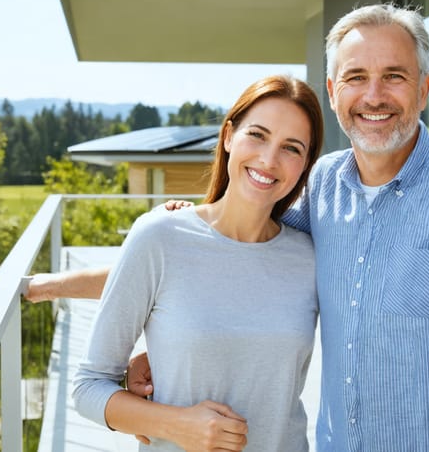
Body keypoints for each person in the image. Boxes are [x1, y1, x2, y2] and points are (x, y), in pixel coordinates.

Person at [29, 3, 429, 451]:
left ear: (425, 88)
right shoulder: (323, 189)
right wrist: (165, 336)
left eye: (395, 77)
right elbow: (220, 256)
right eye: (356, 77)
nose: (374, 96)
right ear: (335, 91)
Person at [70, 75, 325, 452]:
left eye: (291, 148)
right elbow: (88, 386)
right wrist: (176, 425)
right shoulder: (160, 236)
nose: (269, 159)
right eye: (257, 134)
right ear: (228, 136)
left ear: (305, 165)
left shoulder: (311, 256)